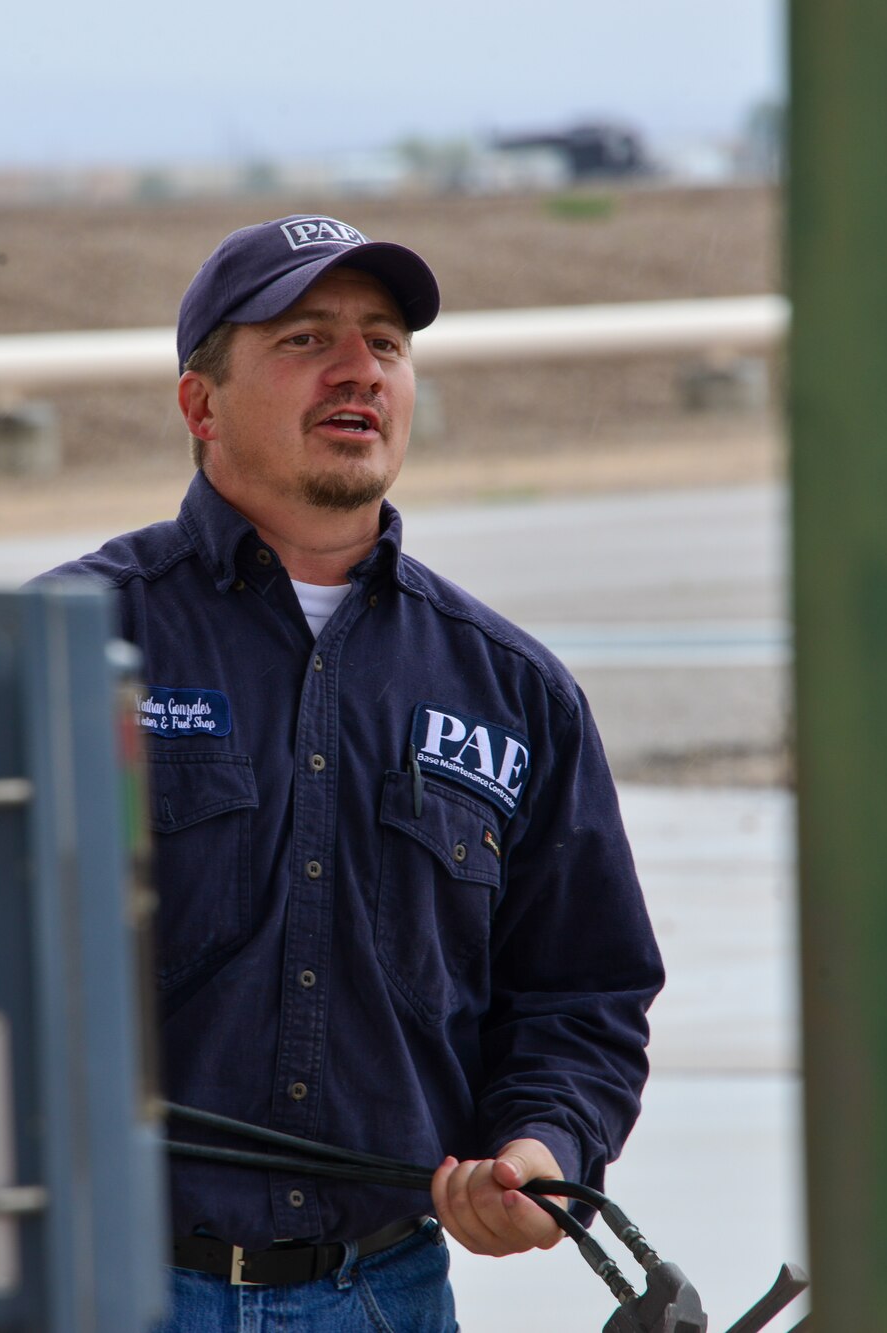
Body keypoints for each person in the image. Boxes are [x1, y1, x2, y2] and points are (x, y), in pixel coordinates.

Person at [43, 214, 663, 1330]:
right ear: (200, 404)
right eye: (302, 338)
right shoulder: (62, 650)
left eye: (385, 341)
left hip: (384, 1296)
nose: (357, 369)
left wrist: (538, 1148)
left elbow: (581, 995)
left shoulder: (512, 691)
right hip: (103, 1287)